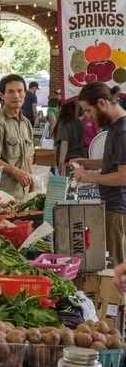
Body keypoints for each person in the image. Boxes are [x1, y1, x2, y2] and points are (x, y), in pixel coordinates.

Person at [71, 81, 126, 266]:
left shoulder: (122, 131)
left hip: (118, 209)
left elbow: (123, 176)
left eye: (88, 110)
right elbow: (113, 162)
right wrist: (85, 162)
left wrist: (87, 177)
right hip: (114, 206)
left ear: (102, 103)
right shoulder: (116, 126)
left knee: (117, 268)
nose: (87, 117)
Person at [0, 74, 35, 202]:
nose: (16, 95)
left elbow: (28, 156)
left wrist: (32, 179)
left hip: (22, 194)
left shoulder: (25, 123)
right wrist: (16, 172)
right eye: (11, 91)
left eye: (20, 91)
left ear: (25, 94)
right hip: (2, 194)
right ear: (2, 95)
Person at [53, 100, 86, 174]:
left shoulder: (63, 124)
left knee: (68, 184)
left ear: (61, 108)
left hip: (69, 162)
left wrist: (61, 164)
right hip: (81, 159)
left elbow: (64, 144)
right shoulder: (78, 122)